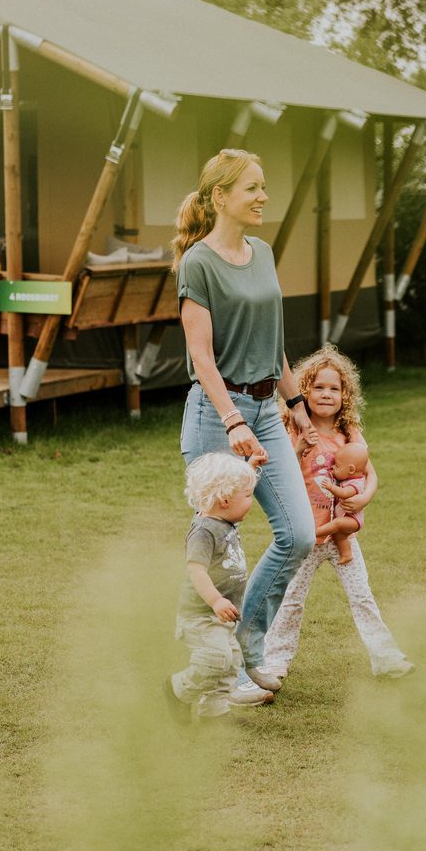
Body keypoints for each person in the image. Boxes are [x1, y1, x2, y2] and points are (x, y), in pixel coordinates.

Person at [174, 149, 316, 705]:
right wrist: (233, 420)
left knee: (298, 534)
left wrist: (297, 402)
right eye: (253, 188)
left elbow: (271, 341)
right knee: (218, 552)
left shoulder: (262, 252)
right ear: (220, 197)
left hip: (266, 409)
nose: (263, 197)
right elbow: (202, 358)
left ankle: (247, 642)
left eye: (263, 187)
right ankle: (220, 671)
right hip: (218, 415)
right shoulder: (197, 264)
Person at [263, 348, 412, 680]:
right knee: (290, 601)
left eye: (334, 388)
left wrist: (364, 500)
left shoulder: (349, 435)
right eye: (318, 387)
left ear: (345, 394)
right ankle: (274, 661)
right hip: (306, 535)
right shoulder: (294, 429)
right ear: (303, 391)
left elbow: (371, 475)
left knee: (362, 596)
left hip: (342, 536)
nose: (326, 394)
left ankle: (386, 658)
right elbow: (279, 472)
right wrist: (301, 446)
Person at [165, 453, 260, 722]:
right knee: (214, 659)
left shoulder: (225, 519)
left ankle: (214, 712)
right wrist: (216, 601)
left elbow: (236, 494)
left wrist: (249, 469)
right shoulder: (204, 531)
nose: (251, 502)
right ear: (225, 500)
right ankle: (178, 690)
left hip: (222, 615)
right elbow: (195, 570)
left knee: (229, 663)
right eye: (248, 496)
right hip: (201, 615)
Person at [310, 438, 369, 563]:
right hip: (348, 518)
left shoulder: (356, 483)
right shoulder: (348, 479)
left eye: (337, 466)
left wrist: (331, 487)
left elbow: (344, 493)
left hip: (352, 519)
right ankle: (346, 554)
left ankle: (316, 532)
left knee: (336, 524)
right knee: (338, 535)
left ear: (351, 469)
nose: (332, 467)